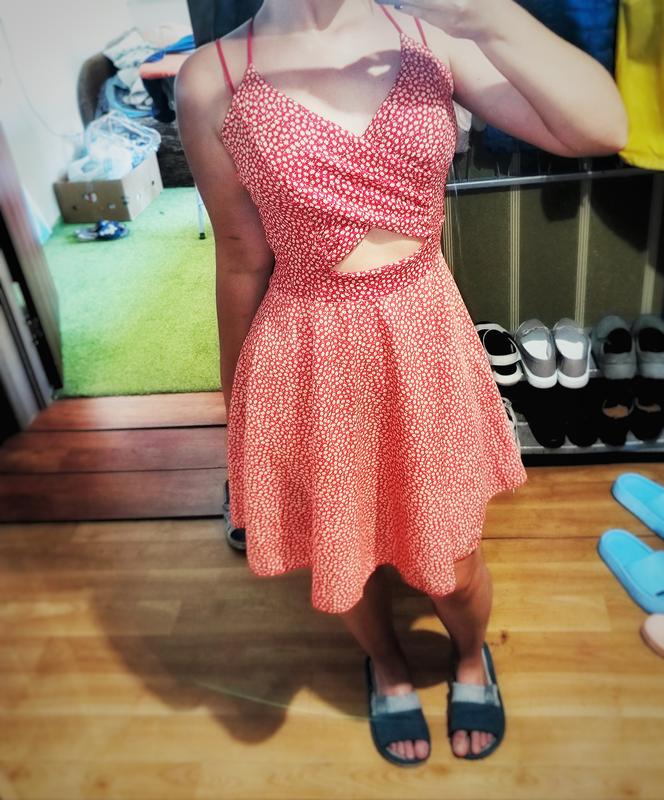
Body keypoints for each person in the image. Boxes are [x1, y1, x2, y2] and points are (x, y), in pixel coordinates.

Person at [175, 0, 628, 766]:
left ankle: (469, 657)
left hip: (423, 341)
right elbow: (242, 258)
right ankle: (385, 666)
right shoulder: (209, 77)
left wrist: (486, 15)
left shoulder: (435, 30)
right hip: (307, 353)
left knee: (453, 566)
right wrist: (239, 415)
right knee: (345, 558)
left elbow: (602, 127)